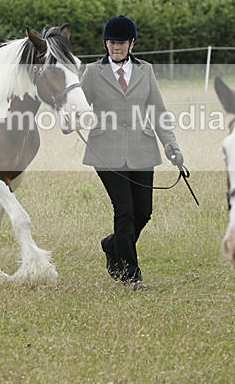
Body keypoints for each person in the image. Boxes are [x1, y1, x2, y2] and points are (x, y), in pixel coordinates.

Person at [80, 15, 184, 290]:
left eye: (121, 42)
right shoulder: (92, 73)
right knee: (124, 212)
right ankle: (130, 276)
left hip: (141, 148)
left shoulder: (145, 71)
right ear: (106, 43)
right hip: (106, 151)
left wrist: (172, 146)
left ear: (131, 44)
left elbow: (158, 112)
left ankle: (112, 245)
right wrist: (70, 120)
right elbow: (77, 106)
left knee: (144, 212)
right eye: (112, 42)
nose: (116, 47)